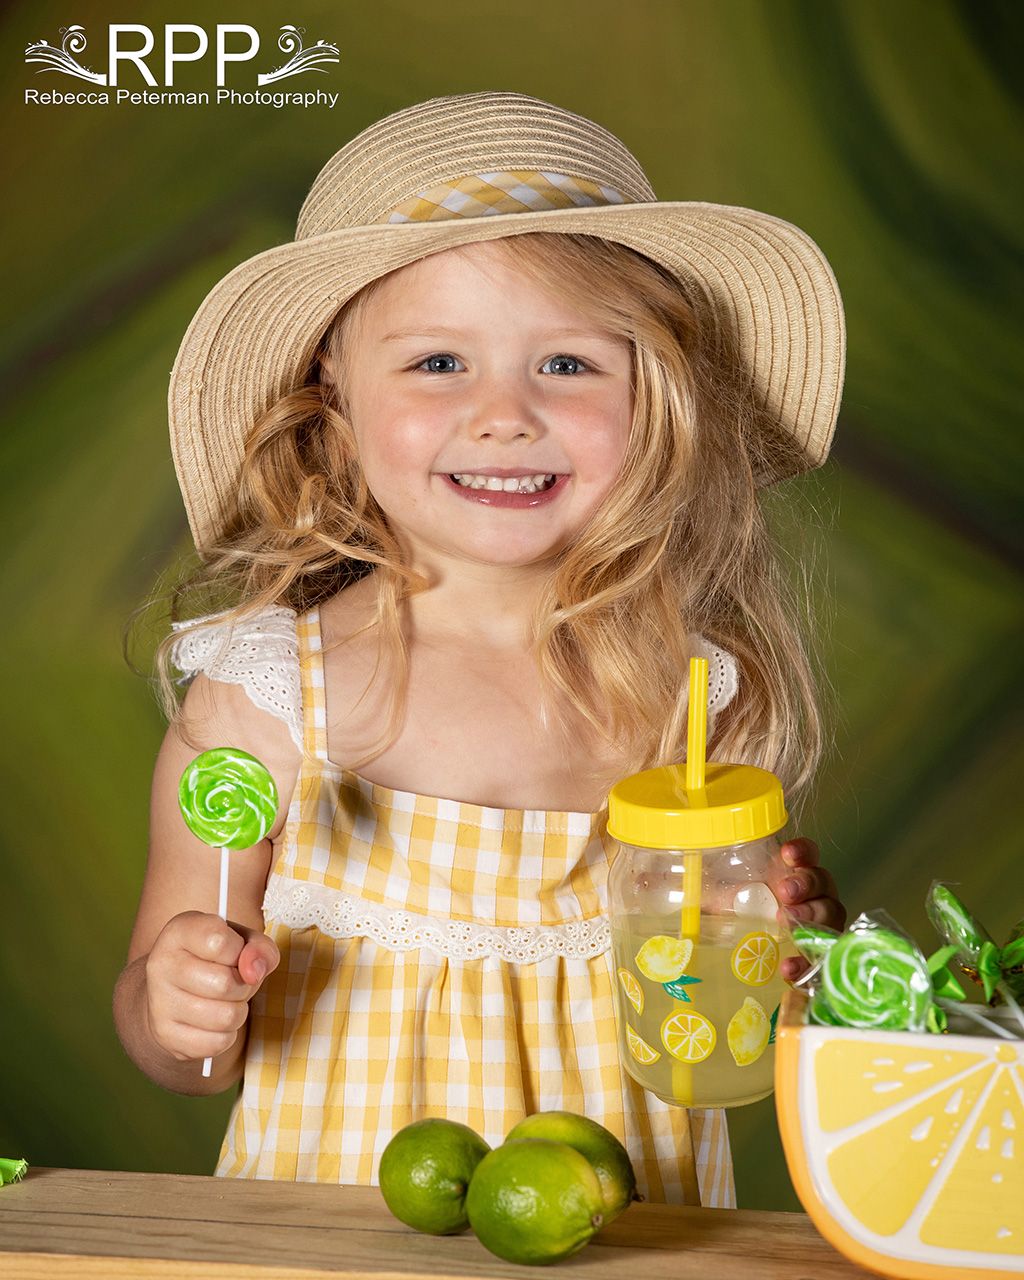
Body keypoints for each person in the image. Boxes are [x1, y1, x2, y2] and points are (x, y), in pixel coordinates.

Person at [114, 90, 847, 1209]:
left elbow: (740, 1026)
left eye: (566, 364)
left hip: (625, 1241)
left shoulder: (697, 703)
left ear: (653, 401)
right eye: (438, 362)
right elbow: (187, 1063)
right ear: (335, 411)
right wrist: (178, 1002)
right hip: (325, 1251)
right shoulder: (262, 700)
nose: (504, 413)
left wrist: (798, 959)